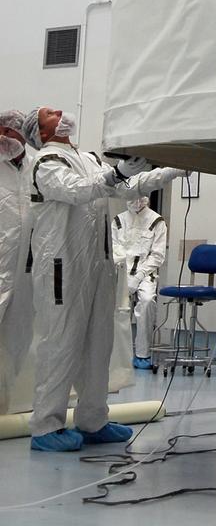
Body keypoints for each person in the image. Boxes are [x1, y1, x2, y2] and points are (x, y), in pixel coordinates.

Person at [23, 106, 185, 452]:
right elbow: (78, 191)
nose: (59, 111)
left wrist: (170, 170)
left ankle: (93, 420)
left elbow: (126, 189)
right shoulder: (47, 162)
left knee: (99, 344)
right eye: (49, 113)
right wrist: (115, 173)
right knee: (61, 343)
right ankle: (45, 426)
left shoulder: (88, 158)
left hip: (98, 265)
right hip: (61, 267)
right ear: (43, 132)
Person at [0, 110, 34, 414]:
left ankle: (7, 402)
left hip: (25, 269)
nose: (6, 137)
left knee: (18, 333)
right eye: (2, 131)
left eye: (11, 132)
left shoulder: (34, 168)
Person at [112, 197, 167, 369]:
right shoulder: (118, 220)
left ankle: (142, 354)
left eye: (140, 197)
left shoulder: (157, 221)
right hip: (121, 271)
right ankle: (117, 354)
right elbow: (114, 248)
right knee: (118, 306)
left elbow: (157, 255)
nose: (136, 202)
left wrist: (139, 275)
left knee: (147, 301)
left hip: (146, 273)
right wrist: (125, 277)